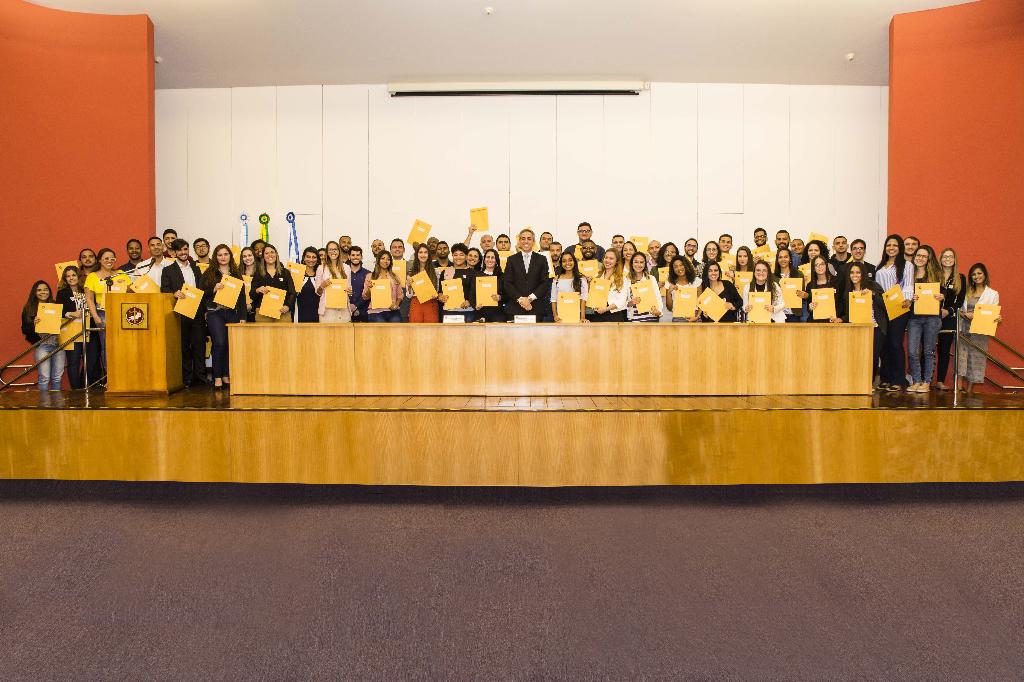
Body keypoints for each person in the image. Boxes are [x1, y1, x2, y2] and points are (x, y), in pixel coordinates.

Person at [199, 244, 247, 389]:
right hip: (215, 313)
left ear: (230, 256)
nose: (223, 257)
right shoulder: (209, 273)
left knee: (229, 344)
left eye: (226, 254)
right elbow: (201, 292)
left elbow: (242, 297)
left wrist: (243, 316)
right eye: (220, 255)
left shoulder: (236, 273)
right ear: (216, 257)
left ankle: (226, 374)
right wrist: (214, 289)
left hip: (232, 313)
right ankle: (217, 376)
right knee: (219, 343)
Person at [160, 239, 207, 386]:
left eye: (185, 249)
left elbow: (202, 289)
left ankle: (200, 376)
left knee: (199, 345)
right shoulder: (168, 270)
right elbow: (164, 289)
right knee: (184, 346)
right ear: (174, 253)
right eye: (179, 250)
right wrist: (174, 293)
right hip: (180, 313)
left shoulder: (196, 268)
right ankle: (186, 378)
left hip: (197, 312)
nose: (183, 252)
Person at [876, 234, 915, 392]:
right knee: (884, 344)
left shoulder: (907, 265)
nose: (891, 248)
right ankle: (885, 378)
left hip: (899, 307)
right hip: (883, 309)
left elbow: (909, 285)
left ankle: (899, 379)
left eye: (894, 245)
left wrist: (907, 299)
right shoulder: (880, 266)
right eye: (888, 245)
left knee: (895, 343)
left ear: (900, 248)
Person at [958, 263, 1002, 394]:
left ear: (985, 274)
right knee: (961, 358)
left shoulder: (993, 294)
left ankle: (969, 391)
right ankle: (958, 388)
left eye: (979, 273)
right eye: (973, 274)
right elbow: (958, 308)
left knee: (976, 359)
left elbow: (993, 313)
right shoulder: (965, 291)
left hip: (980, 331)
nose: (976, 276)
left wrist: (997, 318)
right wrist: (964, 314)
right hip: (963, 328)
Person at [906, 245, 944, 393]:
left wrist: (942, 296)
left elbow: (945, 294)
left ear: (929, 259)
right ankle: (916, 381)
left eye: (924, 256)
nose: (920, 258)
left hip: (932, 318)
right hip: (914, 318)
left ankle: (927, 382)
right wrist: (910, 297)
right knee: (912, 351)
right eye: (918, 255)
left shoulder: (936, 274)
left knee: (928, 351)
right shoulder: (909, 274)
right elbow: (904, 294)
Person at [842, 262, 887, 385]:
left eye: (858, 272)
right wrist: (840, 319)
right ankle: (859, 383)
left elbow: (885, 304)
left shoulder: (873, 286)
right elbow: (849, 314)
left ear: (863, 274)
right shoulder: (848, 291)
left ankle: (869, 383)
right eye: (852, 272)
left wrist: (872, 295)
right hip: (858, 329)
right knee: (859, 357)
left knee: (873, 356)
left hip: (875, 327)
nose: (855, 275)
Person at [82, 247, 120, 385]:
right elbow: (89, 299)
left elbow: (132, 291)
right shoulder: (92, 277)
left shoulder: (121, 274)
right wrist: (96, 317)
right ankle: (111, 378)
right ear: (99, 260)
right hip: (102, 313)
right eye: (106, 258)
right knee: (107, 347)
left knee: (122, 345)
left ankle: (123, 376)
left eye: (112, 258)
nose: (109, 261)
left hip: (121, 312)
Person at [21, 280, 65, 391]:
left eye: (45, 289)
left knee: (57, 378)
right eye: (39, 290)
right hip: (42, 346)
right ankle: (43, 402)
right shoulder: (29, 308)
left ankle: (56, 401)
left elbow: (65, 321)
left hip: (59, 345)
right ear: (34, 292)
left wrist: (61, 320)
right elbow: (24, 329)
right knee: (44, 378)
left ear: (49, 291)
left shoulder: (56, 305)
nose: (43, 292)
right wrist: (33, 323)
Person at [935, 248, 966, 391]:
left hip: (949, 317)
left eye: (950, 256)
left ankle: (940, 381)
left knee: (944, 349)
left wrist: (948, 311)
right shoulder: (934, 275)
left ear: (955, 259)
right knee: (927, 348)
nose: (947, 259)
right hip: (932, 316)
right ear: (940, 259)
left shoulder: (960, 278)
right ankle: (924, 380)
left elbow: (960, 300)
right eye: (945, 256)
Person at [502, 228, 549, 320]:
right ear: (519, 241)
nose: (526, 241)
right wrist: (521, 300)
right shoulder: (511, 259)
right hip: (515, 308)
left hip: (535, 308)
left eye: (529, 238)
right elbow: (507, 283)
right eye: (523, 238)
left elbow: (544, 283)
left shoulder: (542, 259)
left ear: (533, 241)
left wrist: (530, 299)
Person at [55, 265, 87, 389]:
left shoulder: (85, 290)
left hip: (87, 331)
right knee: (73, 362)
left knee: (90, 361)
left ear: (78, 276)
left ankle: (84, 386)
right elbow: (59, 311)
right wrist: (71, 313)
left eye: (73, 275)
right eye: (67, 276)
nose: (71, 278)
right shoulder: (62, 293)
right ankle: (76, 390)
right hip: (71, 332)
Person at [249, 243, 296, 325]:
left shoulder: (285, 272)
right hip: (263, 314)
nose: (270, 255)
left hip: (282, 313)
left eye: (272, 252)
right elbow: (251, 294)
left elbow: (292, 292)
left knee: (284, 334)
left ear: (276, 254)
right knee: (263, 334)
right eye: (266, 253)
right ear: (263, 256)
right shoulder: (258, 273)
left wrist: (288, 306)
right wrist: (257, 290)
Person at [315, 241, 353, 323]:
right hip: (327, 312)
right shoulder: (321, 268)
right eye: (330, 249)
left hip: (344, 311)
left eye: (335, 249)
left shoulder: (346, 267)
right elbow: (318, 292)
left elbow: (349, 289)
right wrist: (322, 286)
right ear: (327, 252)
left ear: (339, 251)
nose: (333, 252)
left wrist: (350, 292)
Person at [438, 243, 478, 322]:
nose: (458, 257)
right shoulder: (445, 271)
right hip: (448, 311)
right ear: (452, 256)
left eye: (461, 255)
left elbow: (476, 292)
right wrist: (441, 297)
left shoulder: (472, 273)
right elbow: (440, 291)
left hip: (467, 312)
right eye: (455, 255)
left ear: (466, 256)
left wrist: (469, 302)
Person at [362, 251, 404, 322]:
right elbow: (365, 297)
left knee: (396, 323)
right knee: (380, 323)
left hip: (392, 311)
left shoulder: (395, 277)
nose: (386, 261)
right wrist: (369, 289)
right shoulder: (370, 276)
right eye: (383, 258)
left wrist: (396, 305)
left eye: (388, 259)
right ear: (378, 260)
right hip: (376, 311)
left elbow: (400, 295)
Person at [589, 248, 629, 322]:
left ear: (617, 261)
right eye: (606, 257)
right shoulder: (597, 276)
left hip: (614, 315)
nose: (607, 260)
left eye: (611, 258)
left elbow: (622, 300)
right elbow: (593, 295)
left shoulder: (622, 278)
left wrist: (606, 309)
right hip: (598, 314)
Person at [550, 251, 588, 323]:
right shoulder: (556, 279)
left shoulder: (582, 279)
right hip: (560, 319)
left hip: (577, 318)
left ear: (574, 262)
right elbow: (553, 299)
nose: (567, 263)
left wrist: (582, 317)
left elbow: (583, 299)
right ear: (561, 263)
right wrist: (555, 316)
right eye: (564, 261)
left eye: (570, 260)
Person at [805, 255, 844, 324]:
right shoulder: (810, 285)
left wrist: (837, 317)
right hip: (815, 323)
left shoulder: (836, 282)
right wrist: (810, 308)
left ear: (826, 265)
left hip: (833, 322)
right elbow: (809, 308)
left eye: (822, 264)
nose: (820, 267)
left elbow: (841, 303)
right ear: (813, 268)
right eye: (816, 265)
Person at [625, 252, 663, 322]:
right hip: (634, 319)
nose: (638, 265)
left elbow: (658, 298)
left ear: (645, 264)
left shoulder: (651, 278)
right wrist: (631, 302)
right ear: (631, 263)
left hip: (651, 317)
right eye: (636, 262)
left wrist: (658, 312)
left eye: (641, 262)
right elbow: (623, 302)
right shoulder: (626, 280)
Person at [407, 243, 439, 323]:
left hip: (431, 303)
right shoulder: (411, 272)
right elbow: (408, 295)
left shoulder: (435, 271)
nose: (423, 255)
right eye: (420, 252)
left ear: (429, 255)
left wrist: (436, 294)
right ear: (417, 255)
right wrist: (409, 286)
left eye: (425, 252)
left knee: (431, 328)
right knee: (416, 329)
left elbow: (438, 290)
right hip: (416, 303)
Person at [773, 247, 806, 322]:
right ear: (777, 260)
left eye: (786, 257)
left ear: (790, 259)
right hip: (778, 314)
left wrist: (804, 295)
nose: (783, 259)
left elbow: (802, 294)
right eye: (780, 257)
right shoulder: (772, 277)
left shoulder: (799, 274)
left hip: (793, 314)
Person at [666, 256, 701, 323]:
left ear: (686, 265)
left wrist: (697, 316)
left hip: (695, 318)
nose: (679, 268)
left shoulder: (696, 281)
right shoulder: (670, 283)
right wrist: (669, 292)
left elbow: (701, 302)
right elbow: (669, 308)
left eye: (681, 265)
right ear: (673, 269)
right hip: (678, 319)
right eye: (675, 267)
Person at [475, 249, 505, 323]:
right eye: (488, 257)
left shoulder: (502, 276)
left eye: (493, 257)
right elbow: (472, 294)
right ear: (484, 260)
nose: (490, 260)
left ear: (496, 260)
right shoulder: (477, 275)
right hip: (480, 313)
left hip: (498, 314)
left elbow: (508, 295)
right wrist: (475, 305)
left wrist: (500, 297)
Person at [294, 246, 321, 323]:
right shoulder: (296, 273)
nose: (311, 260)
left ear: (317, 259)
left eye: (314, 257)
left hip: (318, 314)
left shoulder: (321, 274)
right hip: (299, 313)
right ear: (303, 258)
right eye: (308, 257)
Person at [348, 246, 371, 322]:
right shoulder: (343, 273)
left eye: (358, 255)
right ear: (349, 257)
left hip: (363, 313)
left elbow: (369, 293)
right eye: (353, 255)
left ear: (361, 257)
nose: (355, 257)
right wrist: (349, 305)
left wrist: (356, 306)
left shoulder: (368, 274)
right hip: (346, 311)